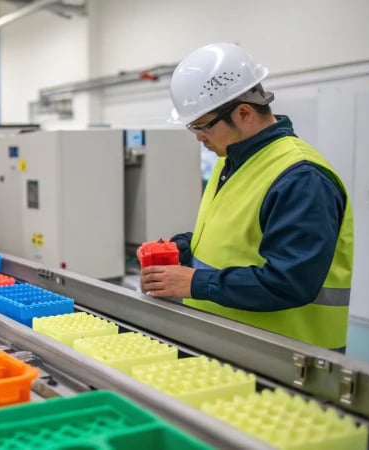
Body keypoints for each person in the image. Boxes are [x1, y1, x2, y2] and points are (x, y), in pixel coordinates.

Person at [140, 43, 354, 351]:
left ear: (243, 113)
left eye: (203, 126)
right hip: (230, 345)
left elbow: (290, 281)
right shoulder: (232, 160)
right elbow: (232, 239)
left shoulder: (301, 179)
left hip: (286, 358)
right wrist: (179, 249)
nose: (199, 137)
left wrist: (194, 282)